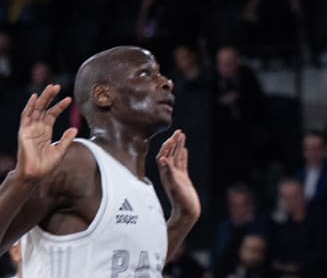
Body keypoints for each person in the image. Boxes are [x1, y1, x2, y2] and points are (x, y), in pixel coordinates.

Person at [0, 47, 200, 273]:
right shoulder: (76, 162)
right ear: (103, 96)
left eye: (161, 74)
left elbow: (138, 270)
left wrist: (184, 216)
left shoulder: (142, 185)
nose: (167, 83)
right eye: (145, 74)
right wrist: (22, 179)